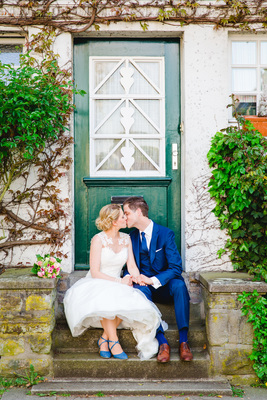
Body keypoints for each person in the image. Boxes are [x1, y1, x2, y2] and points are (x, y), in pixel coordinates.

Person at [63, 204, 162, 360]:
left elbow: (131, 266)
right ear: (114, 221)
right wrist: (119, 281)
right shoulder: (98, 239)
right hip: (99, 280)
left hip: (119, 281)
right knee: (108, 297)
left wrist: (137, 278)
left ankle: (104, 339)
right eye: (123, 216)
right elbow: (95, 272)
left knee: (128, 299)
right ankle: (114, 342)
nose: (126, 218)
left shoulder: (126, 238)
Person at [123, 196, 193, 363]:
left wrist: (152, 279)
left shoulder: (165, 234)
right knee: (139, 291)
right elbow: (127, 265)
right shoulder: (130, 238)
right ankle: (163, 343)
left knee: (179, 285)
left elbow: (176, 267)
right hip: (143, 287)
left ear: (138, 212)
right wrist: (130, 276)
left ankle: (184, 341)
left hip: (164, 285)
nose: (124, 218)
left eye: (127, 213)